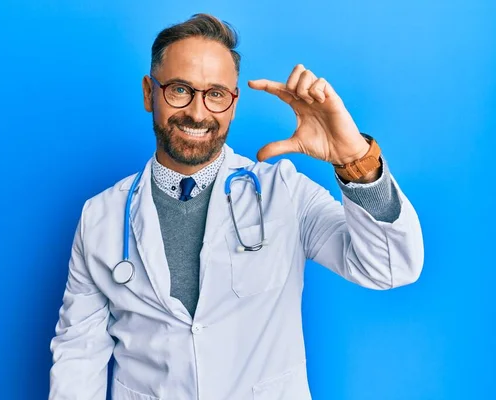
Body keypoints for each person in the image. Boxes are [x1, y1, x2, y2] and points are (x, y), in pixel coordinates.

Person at [48, 13, 424, 400]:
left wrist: (354, 159)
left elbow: (390, 268)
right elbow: (79, 355)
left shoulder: (284, 192)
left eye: (215, 94)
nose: (198, 112)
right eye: (179, 90)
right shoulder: (101, 217)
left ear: (233, 102)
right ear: (149, 93)